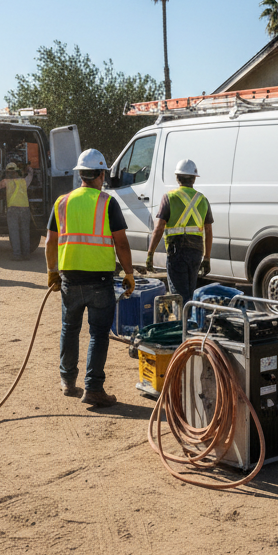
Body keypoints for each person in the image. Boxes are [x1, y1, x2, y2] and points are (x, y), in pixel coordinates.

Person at [45, 148, 135, 408]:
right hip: (100, 281)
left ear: (80, 174)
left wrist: (52, 271)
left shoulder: (61, 202)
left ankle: (68, 381)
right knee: (98, 334)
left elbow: (50, 241)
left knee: (69, 328)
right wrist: (129, 273)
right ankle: (93, 389)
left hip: (69, 279)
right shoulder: (108, 202)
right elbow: (121, 242)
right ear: (101, 174)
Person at [144, 158, 213, 306]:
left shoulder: (169, 198)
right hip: (196, 251)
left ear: (177, 177)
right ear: (194, 178)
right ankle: (189, 324)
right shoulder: (203, 200)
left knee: (179, 296)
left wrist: (150, 254)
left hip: (177, 252)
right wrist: (207, 258)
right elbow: (208, 230)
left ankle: (183, 327)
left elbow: (159, 227)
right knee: (189, 292)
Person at [0, 161, 35, 260]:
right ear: (16, 172)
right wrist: (28, 168)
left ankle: (17, 255)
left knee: (14, 232)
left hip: (13, 210)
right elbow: (31, 174)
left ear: (7, 172)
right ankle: (26, 254)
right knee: (25, 232)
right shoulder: (24, 181)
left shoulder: (5, 182)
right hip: (25, 209)